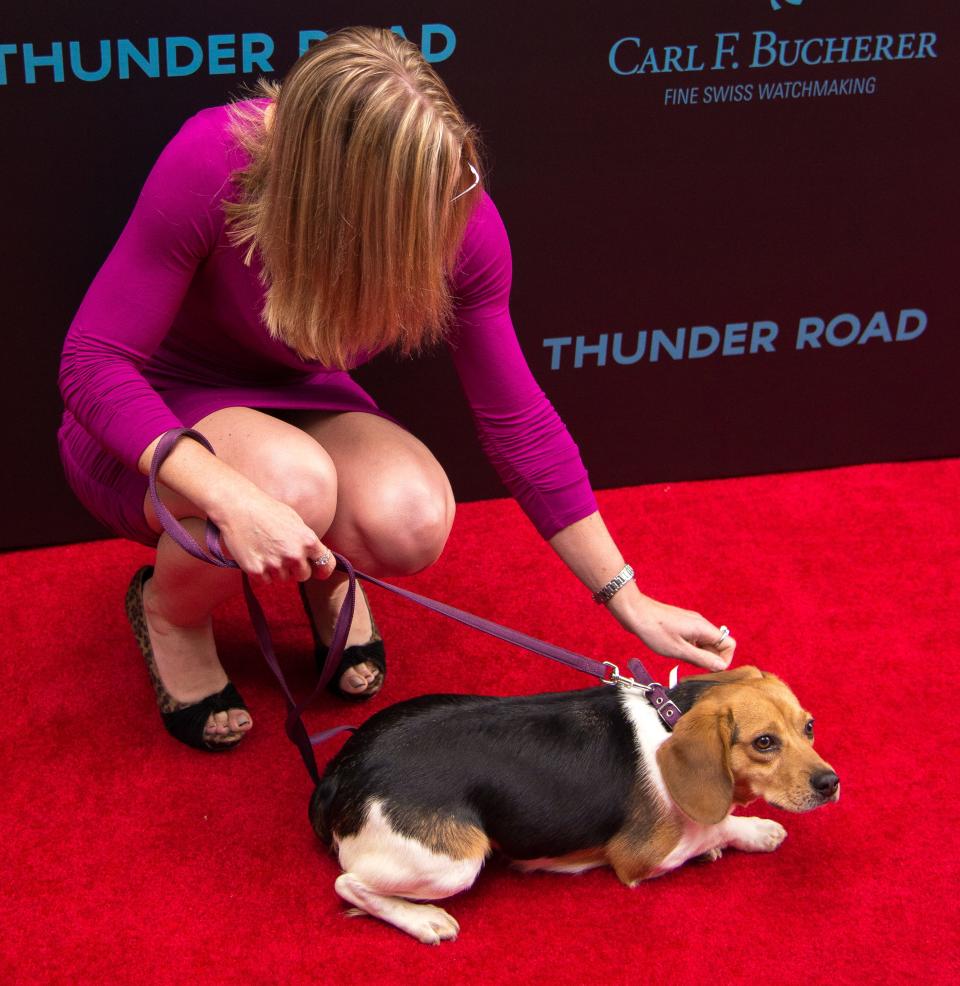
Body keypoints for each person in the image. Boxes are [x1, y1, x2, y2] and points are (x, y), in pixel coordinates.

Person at [58, 27, 736, 753]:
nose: (453, 211)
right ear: (334, 196)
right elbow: (92, 364)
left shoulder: (457, 216)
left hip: (301, 407)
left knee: (411, 518)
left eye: (457, 181)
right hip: (158, 411)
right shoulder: (212, 159)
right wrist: (232, 495)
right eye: (420, 199)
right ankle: (172, 614)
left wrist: (625, 597)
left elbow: (518, 419)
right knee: (292, 484)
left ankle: (323, 573)